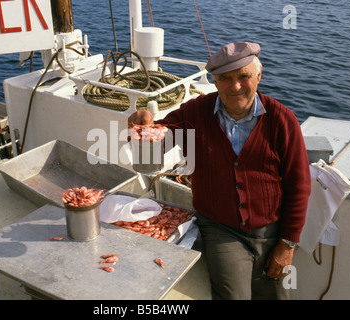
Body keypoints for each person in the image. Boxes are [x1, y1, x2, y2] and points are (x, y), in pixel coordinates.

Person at [127, 41, 312, 300]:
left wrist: (287, 243)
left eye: (243, 76)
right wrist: (140, 128)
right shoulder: (196, 112)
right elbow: (157, 140)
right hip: (221, 229)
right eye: (225, 79)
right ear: (214, 82)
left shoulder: (282, 120)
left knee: (276, 296)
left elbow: (299, 185)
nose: (235, 86)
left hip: (272, 227)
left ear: (259, 75)